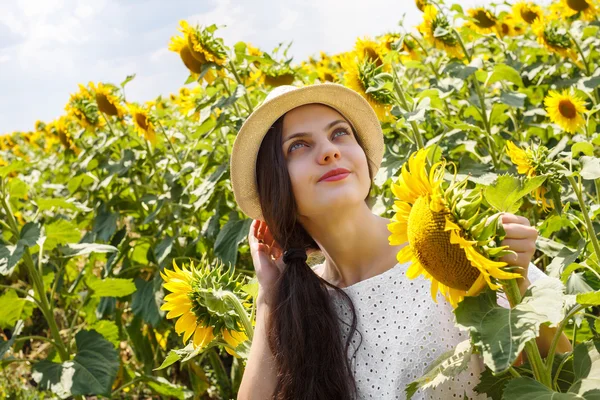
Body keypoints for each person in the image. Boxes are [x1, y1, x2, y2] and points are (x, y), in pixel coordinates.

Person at [230, 83, 571, 400]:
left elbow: (559, 370)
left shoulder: (444, 238)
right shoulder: (302, 304)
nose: (330, 151)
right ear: (276, 184)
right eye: (299, 145)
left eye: (339, 133)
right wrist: (270, 299)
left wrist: (519, 283)